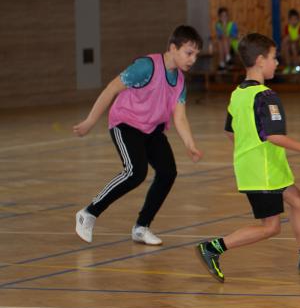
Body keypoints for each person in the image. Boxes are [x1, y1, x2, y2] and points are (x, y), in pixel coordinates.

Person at [195, 33, 300, 283]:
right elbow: (273, 135)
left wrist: (248, 149)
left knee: (297, 199)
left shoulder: (237, 94)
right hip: (263, 171)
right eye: (273, 58)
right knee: (271, 227)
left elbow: (230, 132)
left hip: (261, 168)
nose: (277, 62)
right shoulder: (266, 96)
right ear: (259, 60)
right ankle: (213, 248)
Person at [73, 25, 204, 245]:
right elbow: (111, 89)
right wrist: (90, 122)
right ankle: (88, 213)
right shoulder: (147, 66)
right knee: (135, 171)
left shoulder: (180, 81)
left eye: (196, 55)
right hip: (126, 123)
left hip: (152, 128)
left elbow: (180, 117)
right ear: (173, 48)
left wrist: (190, 145)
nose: (193, 59)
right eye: (189, 53)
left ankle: (141, 227)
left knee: (168, 172)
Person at [281, 8, 300, 74]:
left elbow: (298, 38)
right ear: (289, 20)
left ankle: (297, 67)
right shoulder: (287, 27)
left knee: (293, 45)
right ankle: (288, 66)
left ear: (298, 20)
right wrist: (283, 46)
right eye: (292, 19)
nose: (294, 21)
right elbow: (287, 38)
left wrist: (289, 41)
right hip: (291, 46)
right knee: (286, 45)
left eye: (295, 19)